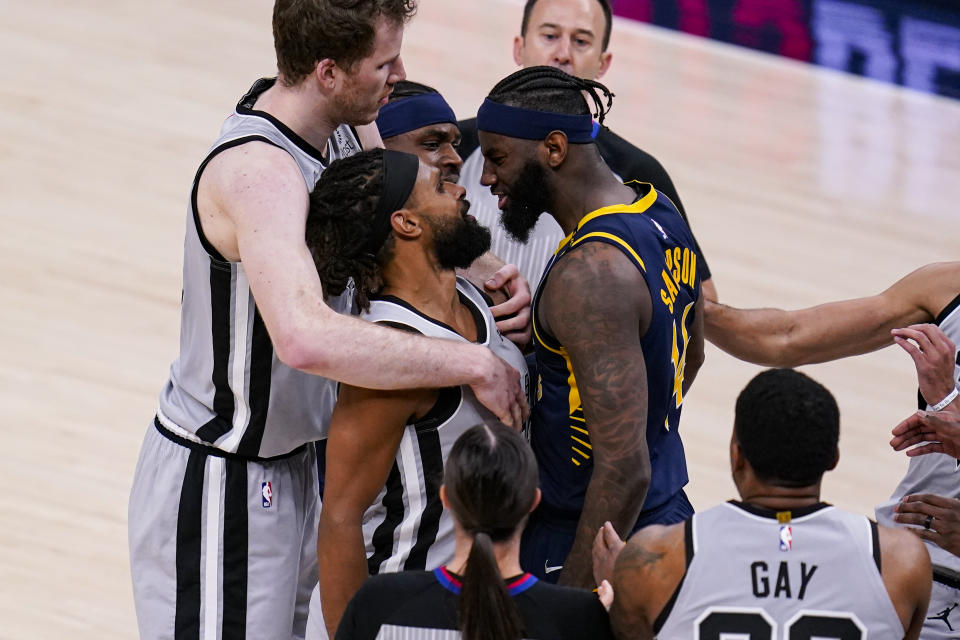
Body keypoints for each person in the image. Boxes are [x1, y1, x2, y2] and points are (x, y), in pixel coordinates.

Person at [127, 2, 527, 638]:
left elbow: (404, 192)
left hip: (299, 465)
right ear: (328, 72)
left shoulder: (343, 126)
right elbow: (303, 337)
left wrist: (477, 261)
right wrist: (472, 361)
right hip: (228, 474)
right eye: (384, 63)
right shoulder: (259, 172)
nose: (400, 75)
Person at [477, 66, 705, 587]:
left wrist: (569, 610)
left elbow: (624, 472)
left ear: (553, 149)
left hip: (594, 532)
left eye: (497, 157)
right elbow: (691, 355)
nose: (487, 177)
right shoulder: (659, 211)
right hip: (662, 515)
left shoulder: (591, 273)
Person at [303, 149, 530, 638]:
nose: (462, 189)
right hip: (404, 611)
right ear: (406, 223)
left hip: (478, 605)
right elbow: (340, 518)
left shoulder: (475, 298)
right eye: (443, 188)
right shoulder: (390, 357)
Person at [704, 261, 960, 637]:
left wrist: (949, 403)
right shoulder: (946, 286)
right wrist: (691, 305)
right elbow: (788, 337)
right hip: (899, 568)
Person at [594, 368, 931, 640]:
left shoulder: (652, 557)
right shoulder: (903, 562)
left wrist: (618, 590)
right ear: (833, 460)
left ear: (736, 456)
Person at [457, 0, 715, 301]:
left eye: (581, 41)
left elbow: (700, 300)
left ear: (603, 63)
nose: (563, 54)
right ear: (519, 47)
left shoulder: (637, 173)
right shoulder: (454, 148)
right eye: (550, 36)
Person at [336, 422, 615, 640]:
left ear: (446, 499)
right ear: (533, 502)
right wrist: (617, 613)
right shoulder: (578, 616)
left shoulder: (378, 601)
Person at [376, 80, 532, 345]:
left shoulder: (488, 283)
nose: (456, 159)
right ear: (377, 149)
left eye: (454, 144)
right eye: (432, 144)